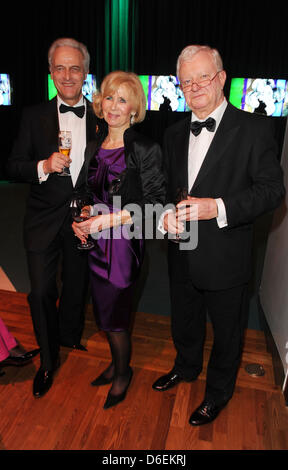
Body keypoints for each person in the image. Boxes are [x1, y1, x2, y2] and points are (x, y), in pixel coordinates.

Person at [152, 45, 285, 425]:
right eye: (186, 81)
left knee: (228, 334)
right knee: (184, 321)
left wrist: (219, 207)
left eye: (203, 78)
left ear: (222, 78)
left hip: (227, 257)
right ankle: (186, 366)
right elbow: (166, 191)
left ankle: (217, 393)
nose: (194, 87)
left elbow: (272, 191)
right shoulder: (175, 132)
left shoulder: (255, 128)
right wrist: (164, 217)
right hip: (182, 252)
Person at [6, 38, 103, 398]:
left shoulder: (101, 116)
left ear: (85, 73)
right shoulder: (33, 116)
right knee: (42, 291)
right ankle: (48, 361)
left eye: (74, 68)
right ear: (50, 72)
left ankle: (69, 337)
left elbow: (110, 171)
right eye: (60, 67)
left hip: (83, 220)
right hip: (42, 220)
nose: (67, 75)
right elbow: (13, 166)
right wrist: (43, 166)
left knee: (77, 287)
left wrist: (99, 208)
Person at [72, 71, 165, 409]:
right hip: (97, 241)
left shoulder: (145, 148)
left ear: (133, 109)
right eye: (109, 97)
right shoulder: (96, 143)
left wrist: (107, 219)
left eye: (122, 100)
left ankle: (124, 374)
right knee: (103, 312)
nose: (113, 106)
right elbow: (84, 191)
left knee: (116, 316)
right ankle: (116, 364)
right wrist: (80, 218)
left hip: (123, 244)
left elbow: (155, 205)